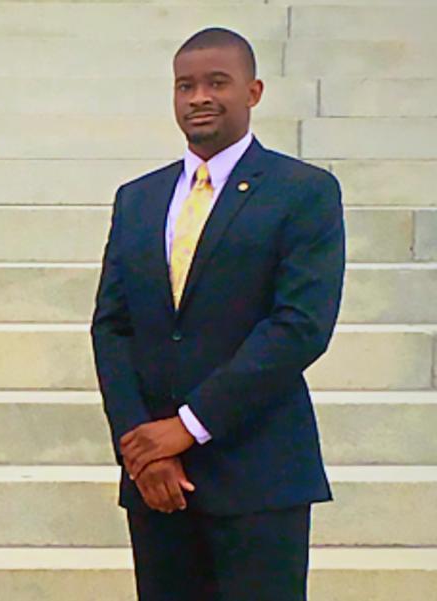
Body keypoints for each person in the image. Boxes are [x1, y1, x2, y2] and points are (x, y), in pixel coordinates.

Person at [91, 28, 345, 601]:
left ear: (252, 91)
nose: (199, 97)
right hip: (158, 483)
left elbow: (300, 325)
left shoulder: (304, 192)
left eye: (216, 83)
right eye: (185, 85)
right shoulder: (139, 198)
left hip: (259, 475)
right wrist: (141, 447)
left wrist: (186, 427)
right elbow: (112, 326)